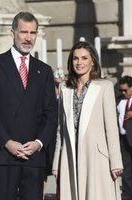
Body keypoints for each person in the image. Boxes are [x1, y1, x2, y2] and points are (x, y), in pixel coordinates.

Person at [0, 12, 58, 200]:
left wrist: (39, 143)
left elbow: (51, 112)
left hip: (33, 155)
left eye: (33, 33)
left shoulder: (44, 70)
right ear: (12, 32)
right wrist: (7, 142)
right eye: (23, 32)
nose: (28, 38)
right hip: (3, 154)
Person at [52, 41, 123, 200]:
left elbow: (111, 127)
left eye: (84, 58)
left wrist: (116, 161)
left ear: (93, 61)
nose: (79, 62)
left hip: (96, 157)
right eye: (75, 58)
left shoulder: (105, 86)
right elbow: (60, 130)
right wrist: (56, 162)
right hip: (70, 155)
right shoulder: (65, 88)